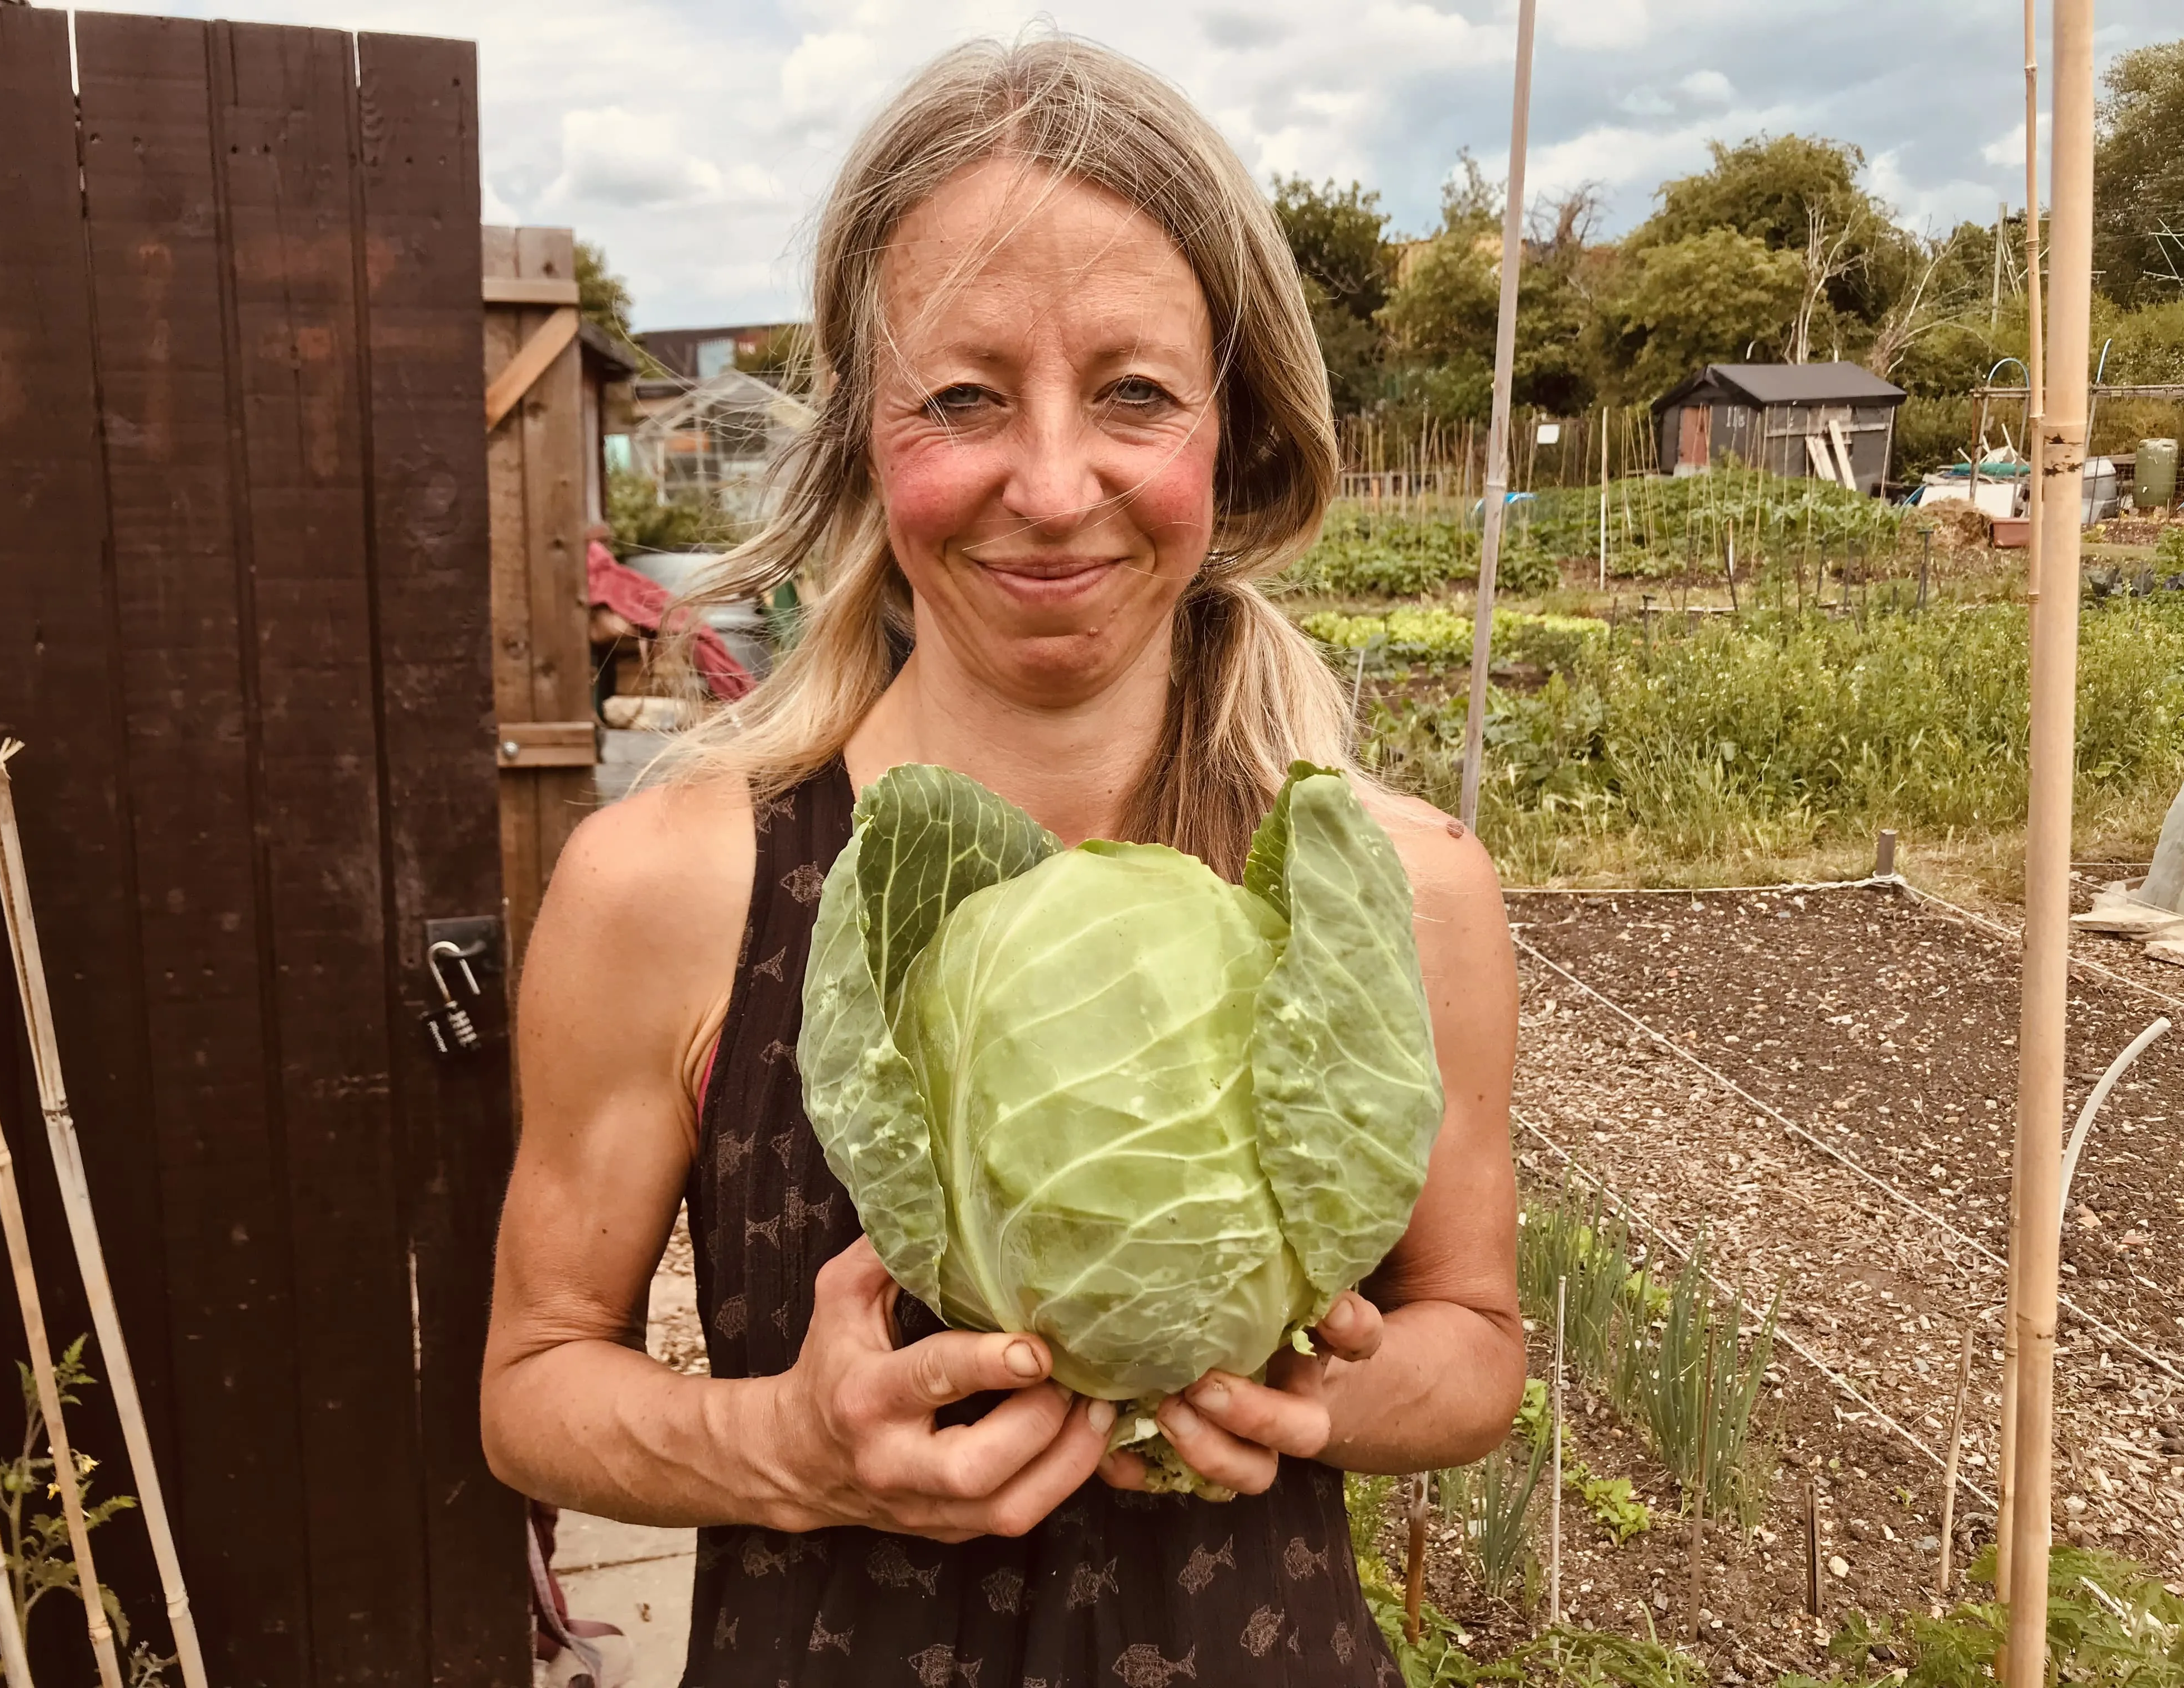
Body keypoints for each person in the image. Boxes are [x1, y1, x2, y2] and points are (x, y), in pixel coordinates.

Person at [483, 34, 1524, 1686]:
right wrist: (788, 1451)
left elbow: (1473, 1347)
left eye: (1134, 393)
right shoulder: (669, 887)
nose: (1052, 487)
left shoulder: (1397, 887)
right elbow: (536, 1385)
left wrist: (1308, 1396)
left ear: (1231, 433)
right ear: (862, 438)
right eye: (963, 399)